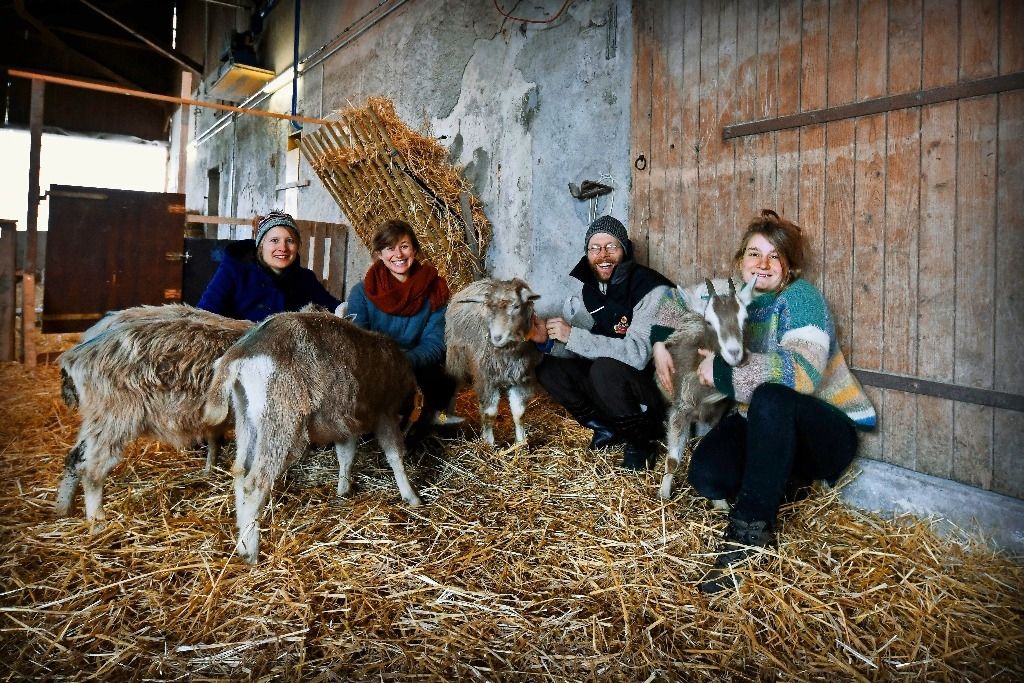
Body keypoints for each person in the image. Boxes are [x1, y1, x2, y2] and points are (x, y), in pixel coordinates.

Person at [650, 209, 877, 595]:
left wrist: (722, 372)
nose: (763, 263)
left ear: (788, 267)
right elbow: (672, 298)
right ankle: (782, 482)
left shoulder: (801, 298)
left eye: (775, 256)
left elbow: (801, 374)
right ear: (741, 261)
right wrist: (659, 342)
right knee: (707, 475)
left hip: (821, 433)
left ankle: (749, 536)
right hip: (761, 424)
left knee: (772, 397)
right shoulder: (730, 293)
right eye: (754, 253)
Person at [530, 215, 674, 470]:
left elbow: (638, 354)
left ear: (625, 250)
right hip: (612, 391)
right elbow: (584, 349)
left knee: (604, 369)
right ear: (587, 254)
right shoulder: (590, 294)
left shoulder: (652, 290)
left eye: (611, 246)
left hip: (650, 397)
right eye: (595, 248)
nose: (603, 254)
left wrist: (572, 335)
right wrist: (548, 342)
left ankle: (641, 441)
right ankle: (606, 428)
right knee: (548, 367)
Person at [346, 219, 457, 440]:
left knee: (445, 380)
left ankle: (437, 422)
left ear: (414, 249)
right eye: (389, 248)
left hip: (417, 363)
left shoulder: (435, 290)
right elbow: (358, 339)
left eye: (404, 246)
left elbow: (435, 342)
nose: (398, 254)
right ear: (379, 254)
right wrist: (385, 363)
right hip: (377, 364)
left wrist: (404, 361)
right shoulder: (362, 292)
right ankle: (371, 428)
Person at [197, 210, 342, 322]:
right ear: (261, 245)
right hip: (239, 350)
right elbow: (204, 314)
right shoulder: (235, 271)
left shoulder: (304, 279)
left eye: (290, 241)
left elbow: (333, 307)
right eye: (274, 240)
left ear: (297, 246)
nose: (283, 248)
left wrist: (347, 307)